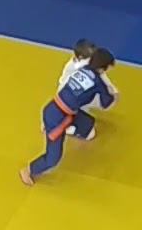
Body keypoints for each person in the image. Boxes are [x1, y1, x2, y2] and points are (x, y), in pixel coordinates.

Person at [20, 48, 117, 186]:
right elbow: (106, 103)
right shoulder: (98, 83)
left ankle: (54, 126)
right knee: (53, 158)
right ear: (103, 67)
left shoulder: (83, 69)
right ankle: (29, 170)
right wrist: (112, 94)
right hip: (58, 120)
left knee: (88, 124)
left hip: (56, 108)